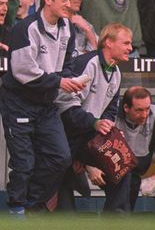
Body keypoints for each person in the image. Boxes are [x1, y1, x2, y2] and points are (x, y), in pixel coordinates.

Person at [0, 0, 85, 215]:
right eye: (64, 0)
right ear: (47, 0)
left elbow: (67, 62)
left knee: (61, 157)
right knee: (24, 163)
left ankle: (31, 204)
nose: (69, 4)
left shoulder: (67, 28)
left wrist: (69, 79)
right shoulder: (26, 28)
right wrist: (60, 81)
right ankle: (17, 209)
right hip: (19, 101)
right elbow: (22, 71)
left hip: (46, 102)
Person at [55, 23, 132, 210]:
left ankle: (115, 221)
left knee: (122, 164)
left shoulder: (116, 72)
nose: (130, 48)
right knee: (64, 205)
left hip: (89, 135)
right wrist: (95, 123)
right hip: (64, 135)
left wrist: (106, 128)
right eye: (126, 43)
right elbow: (65, 107)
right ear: (108, 43)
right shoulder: (87, 64)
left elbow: (111, 109)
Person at [104, 86, 155, 212]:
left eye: (147, 109)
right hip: (107, 167)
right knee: (119, 203)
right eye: (139, 110)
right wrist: (91, 167)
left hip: (135, 171)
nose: (144, 115)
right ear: (126, 108)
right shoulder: (110, 111)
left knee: (127, 198)